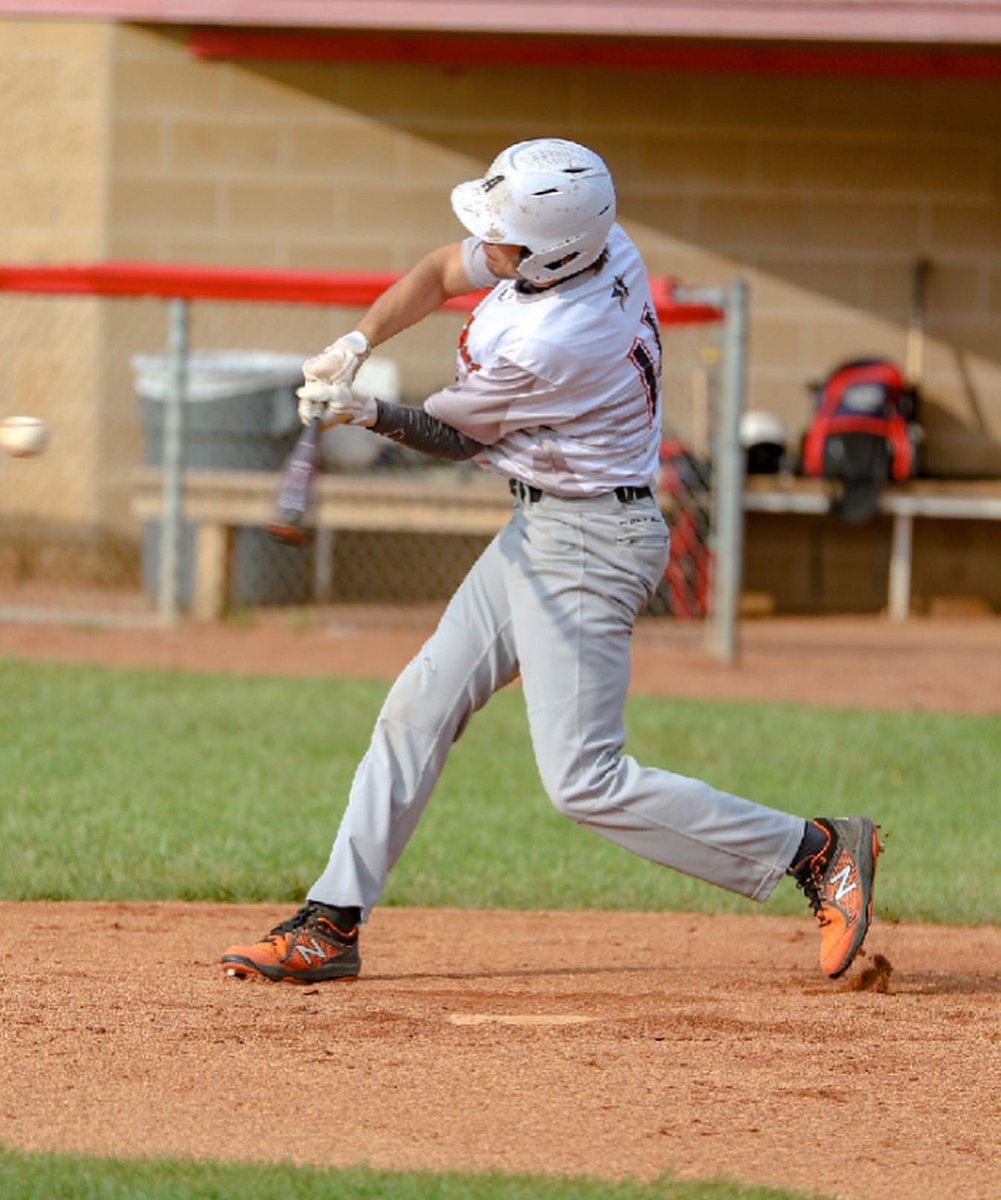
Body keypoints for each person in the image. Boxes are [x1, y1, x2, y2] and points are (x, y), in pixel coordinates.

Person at [221, 138, 882, 985]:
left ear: (553, 252)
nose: (484, 248)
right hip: (541, 530)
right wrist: (359, 337)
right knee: (417, 708)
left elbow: (452, 437)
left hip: (588, 545)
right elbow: (434, 269)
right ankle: (332, 921)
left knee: (584, 781)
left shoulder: (560, 339)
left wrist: (362, 409)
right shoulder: (595, 244)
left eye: (501, 239)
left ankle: (814, 850)